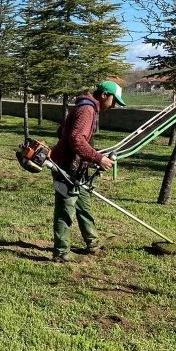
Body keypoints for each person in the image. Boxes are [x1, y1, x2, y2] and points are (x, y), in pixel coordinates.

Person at [49, 80, 126, 263]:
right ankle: (61, 253)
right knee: (65, 210)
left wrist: (87, 155)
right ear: (104, 95)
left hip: (77, 168)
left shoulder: (84, 106)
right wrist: (98, 158)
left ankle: (92, 243)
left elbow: (62, 131)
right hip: (66, 169)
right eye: (114, 101)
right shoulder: (87, 110)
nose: (114, 106)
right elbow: (76, 139)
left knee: (83, 206)